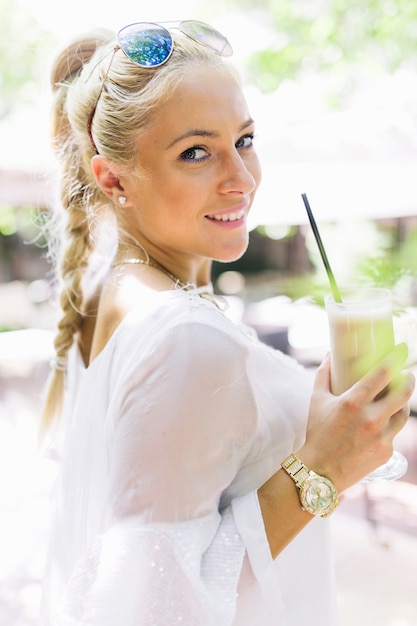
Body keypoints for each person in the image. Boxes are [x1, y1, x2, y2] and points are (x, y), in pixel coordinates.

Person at [39, 20, 414, 626]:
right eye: (195, 152)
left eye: (244, 140)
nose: (241, 178)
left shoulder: (103, 292)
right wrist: (321, 468)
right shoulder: (185, 336)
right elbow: (149, 607)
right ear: (112, 178)